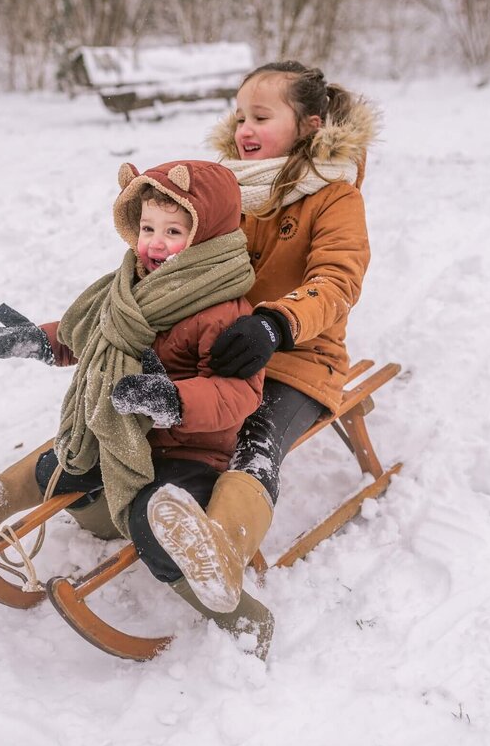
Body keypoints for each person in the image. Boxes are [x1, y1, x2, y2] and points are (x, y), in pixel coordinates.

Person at [0, 160, 274, 654]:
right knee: (70, 456)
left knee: (153, 520)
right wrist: (39, 341)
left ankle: (239, 614)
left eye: (173, 231)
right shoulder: (129, 289)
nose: (155, 243)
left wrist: (172, 400)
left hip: (189, 453)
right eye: (147, 228)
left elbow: (238, 395)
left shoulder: (223, 310)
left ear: (207, 236)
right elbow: (93, 337)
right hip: (125, 435)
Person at [145, 61, 378, 616]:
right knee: (149, 405)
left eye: (262, 116)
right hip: (215, 348)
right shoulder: (224, 189)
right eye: (240, 115)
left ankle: (222, 548)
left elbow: (337, 281)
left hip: (298, 356)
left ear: (308, 125)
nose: (244, 128)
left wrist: (276, 323)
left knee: (256, 435)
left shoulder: (335, 198)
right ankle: (97, 497)